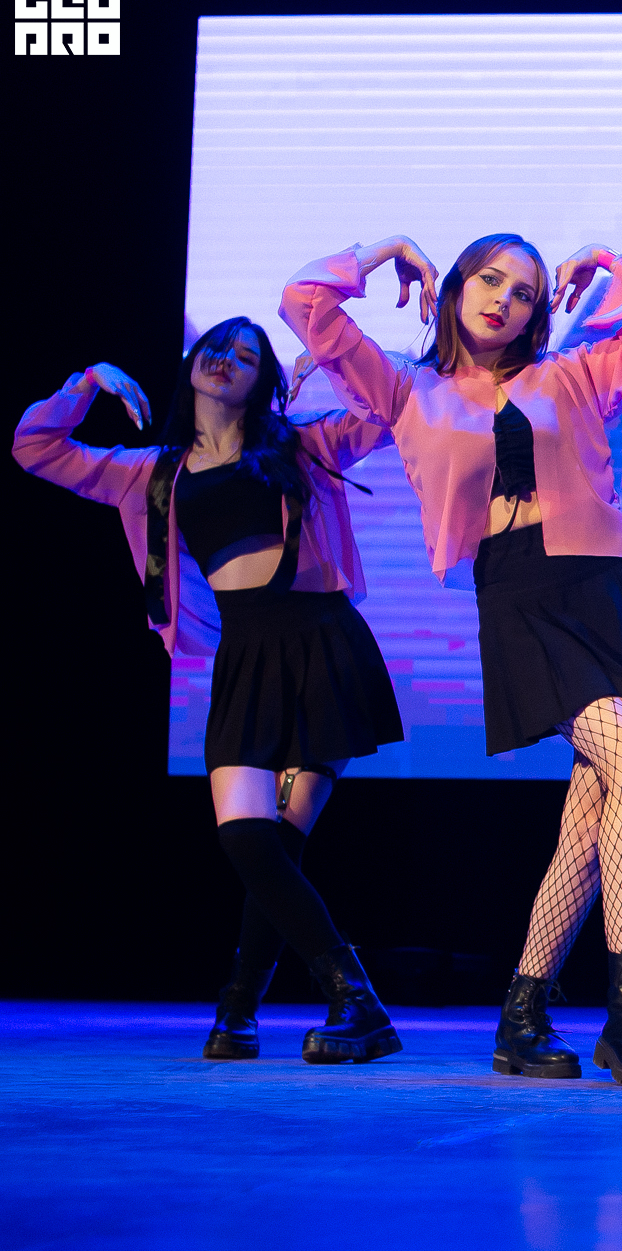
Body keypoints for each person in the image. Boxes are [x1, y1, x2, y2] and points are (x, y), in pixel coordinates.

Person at [281, 231, 622, 1087]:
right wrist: (382, 253)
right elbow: (306, 305)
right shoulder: (406, 388)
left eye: (524, 293)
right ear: (454, 288)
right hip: (518, 595)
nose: (502, 300)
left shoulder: (573, 374)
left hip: (608, 583)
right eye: (488, 279)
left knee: (593, 813)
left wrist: (609, 263)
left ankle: (524, 1012)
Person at [14, 319, 405, 1063]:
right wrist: (87, 382)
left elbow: (392, 408)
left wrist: (336, 359)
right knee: (248, 838)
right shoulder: (153, 473)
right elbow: (35, 447)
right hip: (244, 654)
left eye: (247, 356)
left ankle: (305, 1009)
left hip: (321, 643)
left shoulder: (303, 444)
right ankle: (264, 1005)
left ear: (264, 382)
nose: (227, 360)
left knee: (280, 839)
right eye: (216, 348)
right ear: (193, 362)